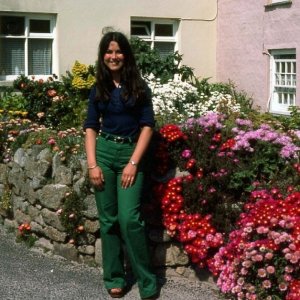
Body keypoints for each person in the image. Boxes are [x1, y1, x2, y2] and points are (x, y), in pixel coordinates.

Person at [83, 31, 158, 300]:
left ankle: (146, 280)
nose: (113, 56)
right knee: (109, 221)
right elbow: (90, 128)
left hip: (130, 153)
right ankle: (114, 277)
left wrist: (133, 163)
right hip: (103, 154)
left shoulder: (139, 87)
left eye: (118, 51)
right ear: (103, 56)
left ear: (126, 55)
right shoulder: (98, 89)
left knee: (130, 219)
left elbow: (148, 126)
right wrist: (93, 165)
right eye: (108, 52)